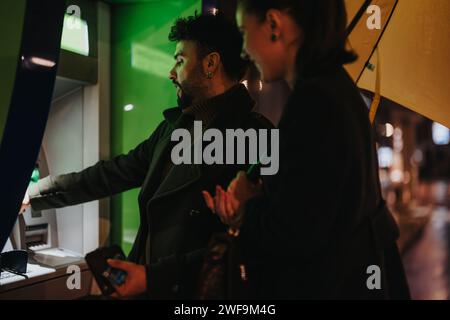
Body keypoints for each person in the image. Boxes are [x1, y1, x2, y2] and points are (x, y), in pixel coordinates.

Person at [20, 13, 273, 299]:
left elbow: (259, 243)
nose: (171, 72)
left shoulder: (258, 136)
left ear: (210, 64)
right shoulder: (173, 130)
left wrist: (154, 277)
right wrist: (33, 192)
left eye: (179, 60)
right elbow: (112, 174)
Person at [203, 0, 411, 299]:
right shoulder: (334, 89)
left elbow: (296, 234)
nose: (244, 49)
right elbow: (319, 205)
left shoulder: (315, 101)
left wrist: (247, 209)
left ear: (274, 25)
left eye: (243, 30)